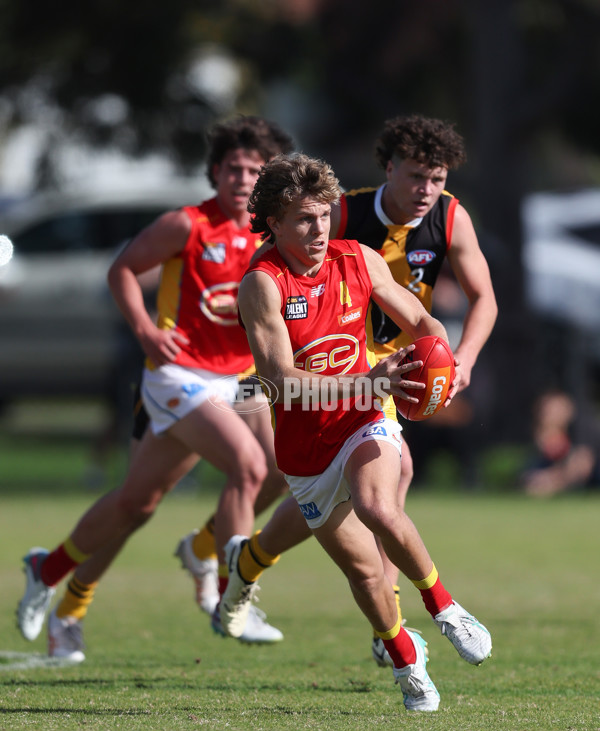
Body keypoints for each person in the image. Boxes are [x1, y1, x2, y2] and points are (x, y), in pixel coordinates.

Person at [219, 114, 498, 668]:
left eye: (437, 179)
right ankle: (247, 560)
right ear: (388, 169)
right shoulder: (337, 212)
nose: (427, 190)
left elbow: (478, 299)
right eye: (417, 176)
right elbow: (278, 369)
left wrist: (453, 362)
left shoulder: (447, 217)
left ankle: (398, 617)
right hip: (316, 369)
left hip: (379, 364)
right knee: (314, 491)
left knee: (381, 495)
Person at [16, 115, 293, 661]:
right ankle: (226, 596)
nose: (242, 178)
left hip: (238, 378)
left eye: (254, 170)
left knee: (142, 503)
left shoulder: (271, 234)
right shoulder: (186, 224)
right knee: (249, 466)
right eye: (233, 168)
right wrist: (145, 331)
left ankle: (55, 574)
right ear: (215, 172)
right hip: (180, 374)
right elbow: (122, 269)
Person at [520, 389, 600, 496]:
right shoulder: (538, 439)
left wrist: (552, 481)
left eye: (558, 408)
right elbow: (529, 475)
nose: (554, 414)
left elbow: (583, 466)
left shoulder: (583, 430)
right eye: (549, 410)